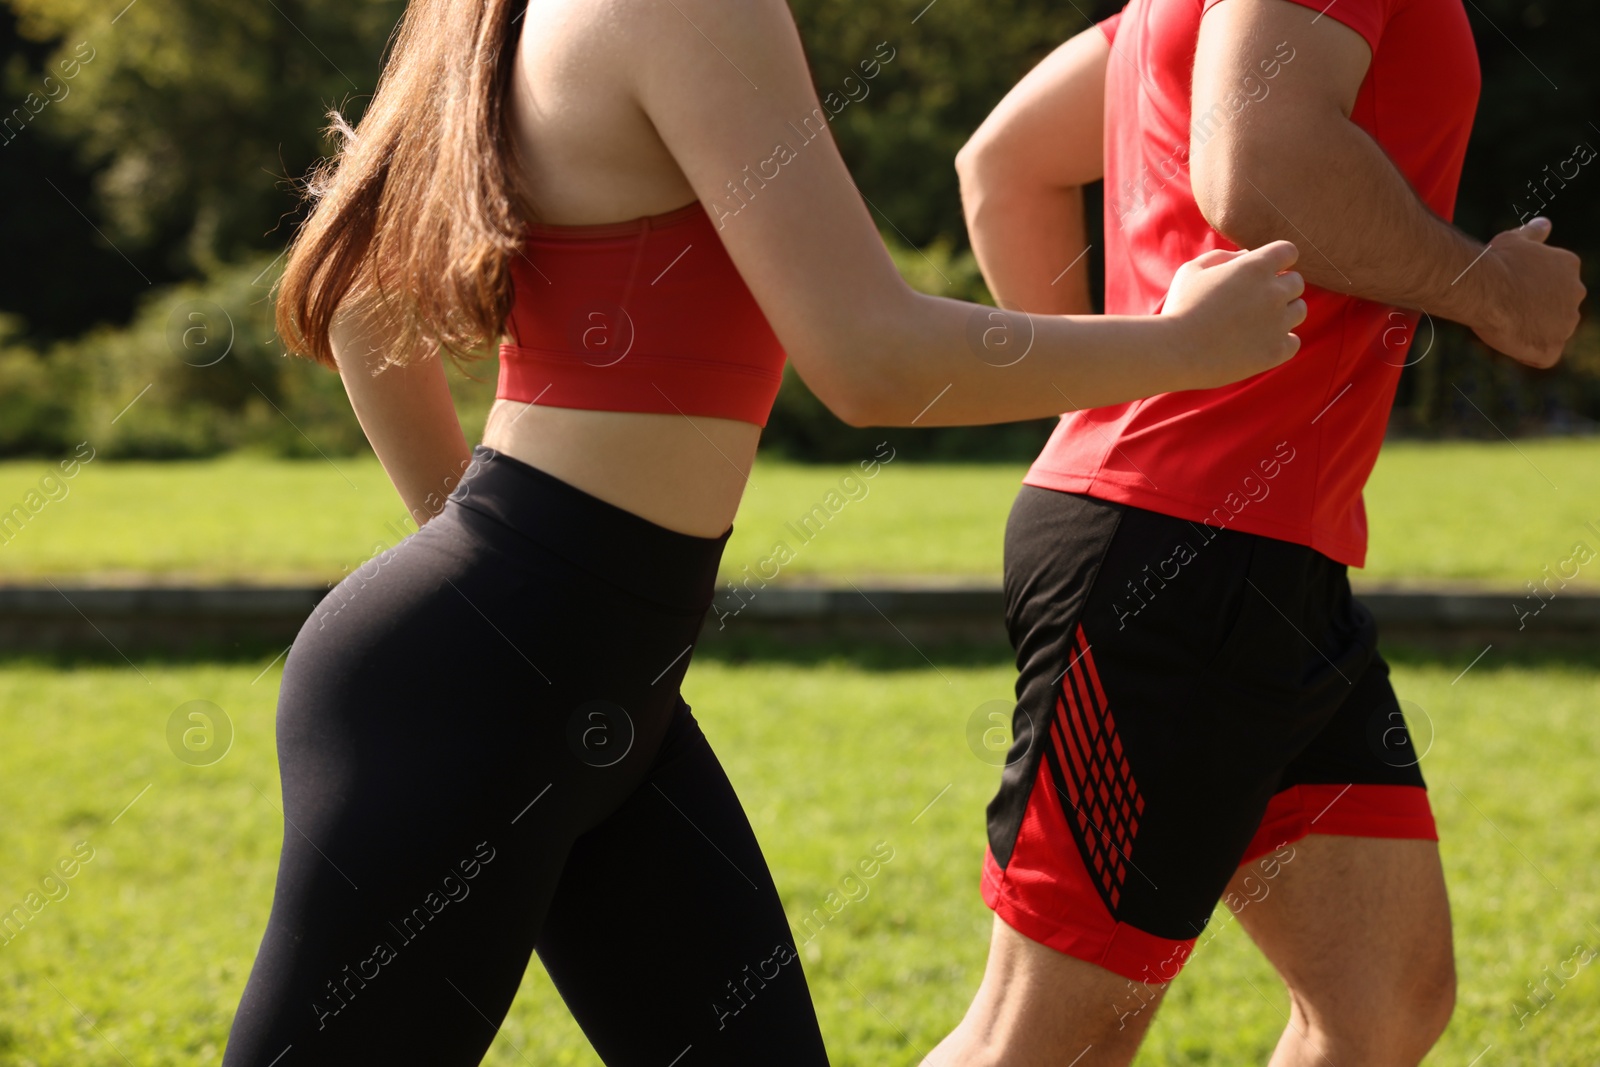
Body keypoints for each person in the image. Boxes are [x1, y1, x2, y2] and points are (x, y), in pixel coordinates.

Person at [219, 0, 1308, 1062]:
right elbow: (870, 356)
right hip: (488, 687)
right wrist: (1181, 349)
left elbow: (362, 285)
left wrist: (487, 569)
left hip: (586, 686)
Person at [931, 1, 1585, 1065]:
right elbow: (1257, 159)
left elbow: (1003, 162)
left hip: (1266, 556)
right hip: (1181, 546)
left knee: (1378, 1004)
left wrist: (1094, 395)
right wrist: (1489, 289)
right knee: (1046, 1040)